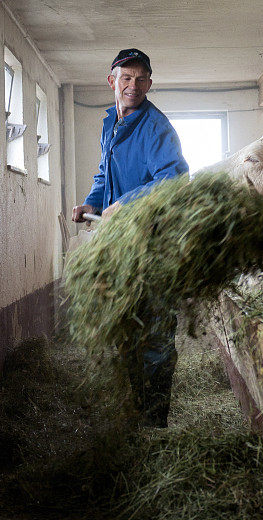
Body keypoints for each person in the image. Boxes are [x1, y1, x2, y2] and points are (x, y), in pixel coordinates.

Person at [72, 48, 189, 427]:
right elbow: (104, 173)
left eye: (140, 80)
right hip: (120, 246)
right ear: (112, 81)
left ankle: (154, 424)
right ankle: (132, 413)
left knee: (154, 335)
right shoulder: (111, 123)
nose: (132, 86)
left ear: (149, 84)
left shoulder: (157, 128)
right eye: (126, 78)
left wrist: (125, 203)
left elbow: (174, 178)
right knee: (125, 329)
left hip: (154, 245)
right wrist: (90, 204)